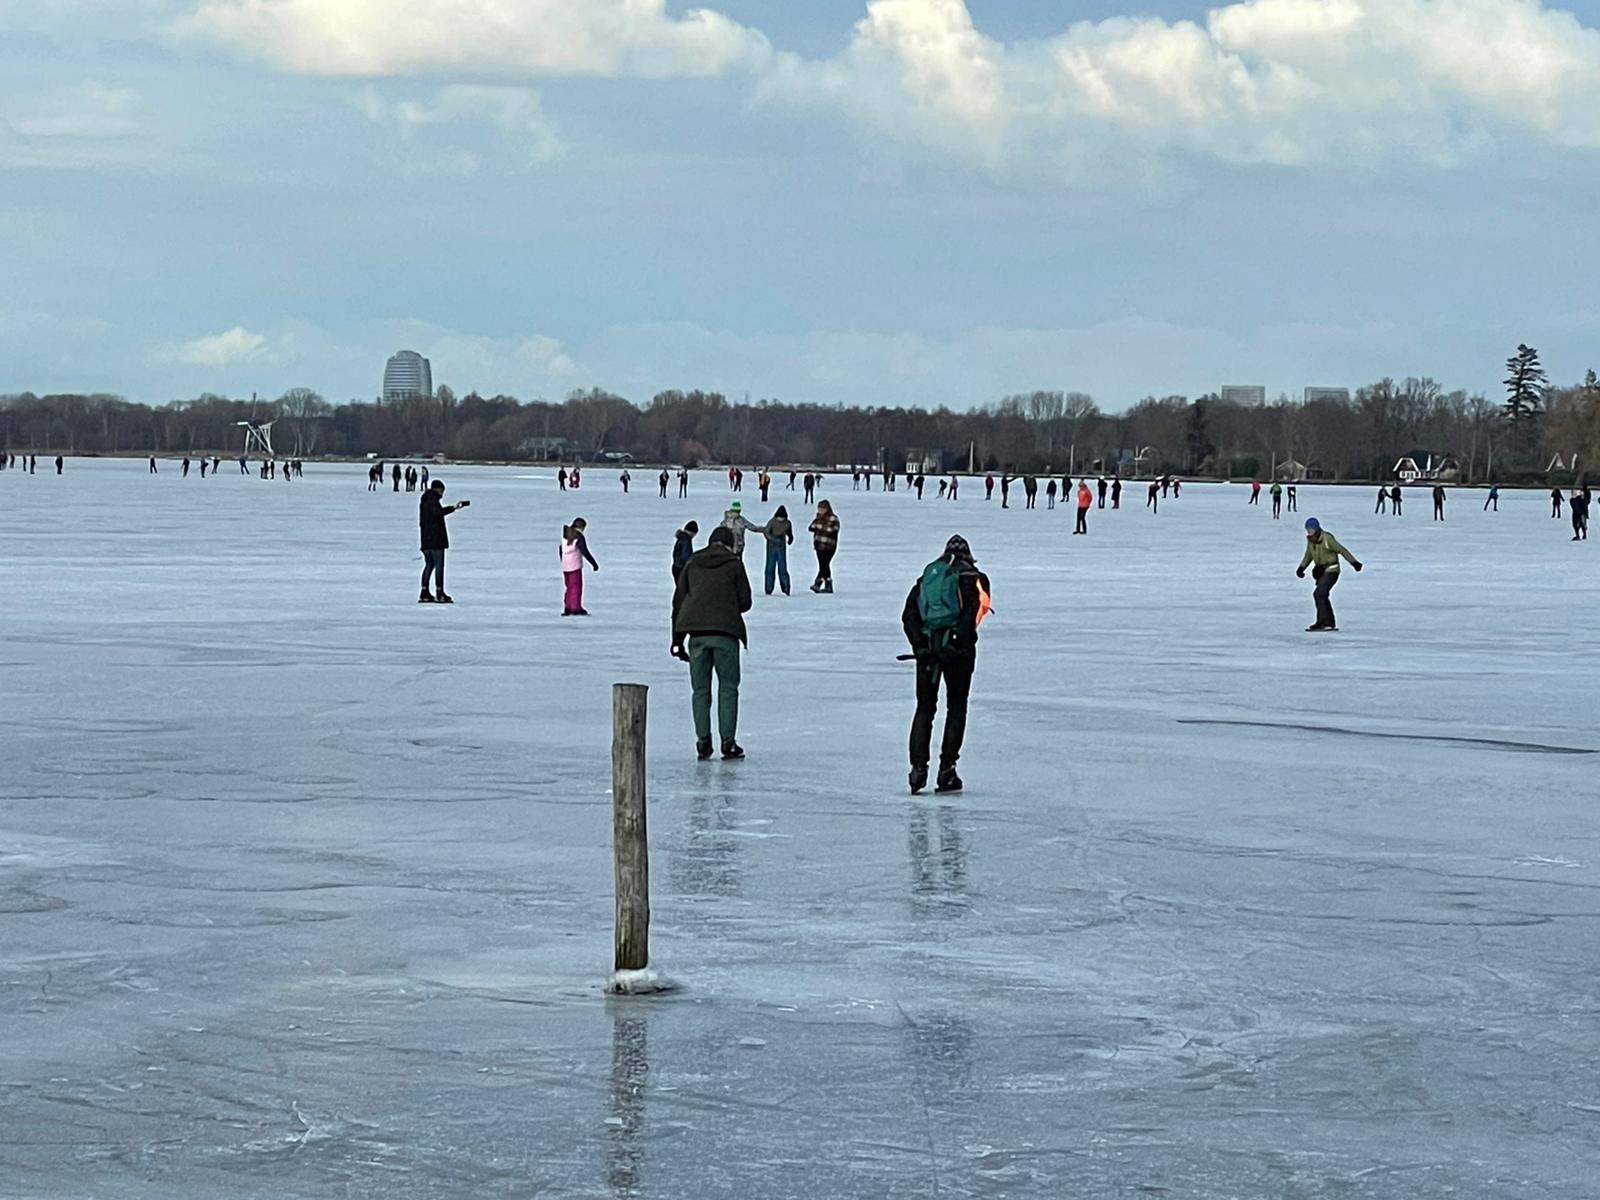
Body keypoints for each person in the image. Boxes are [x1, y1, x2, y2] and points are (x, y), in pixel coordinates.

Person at [902, 534, 991, 795]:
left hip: (928, 649)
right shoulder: (974, 577)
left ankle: (918, 771)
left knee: (925, 707)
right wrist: (957, 642)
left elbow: (909, 615)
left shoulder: (927, 578)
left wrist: (920, 645)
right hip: (958, 654)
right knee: (956, 706)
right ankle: (947, 770)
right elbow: (972, 613)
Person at [671, 525, 752, 760]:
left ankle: (703, 742)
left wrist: (677, 640)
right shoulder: (734, 564)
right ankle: (728, 742)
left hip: (696, 635)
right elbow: (745, 602)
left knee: (700, 690)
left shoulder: (693, 563)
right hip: (726, 633)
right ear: (729, 544)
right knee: (728, 687)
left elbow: (679, 601)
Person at [1296, 518, 1362, 632]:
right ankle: (1322, 621)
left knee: (1320, 593)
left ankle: (1327, 622)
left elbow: (1341, 550)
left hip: (1332, 570)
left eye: (1311, 530)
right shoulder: (1311, 541)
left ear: (1316, 528)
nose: (1309, 532)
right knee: (1319, 594)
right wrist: (1301, 568)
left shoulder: (1327, 539)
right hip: (1322, 572)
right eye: (1308, 530)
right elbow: (1308, 555)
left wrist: (1354, 563)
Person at [418, 480, 469, 603]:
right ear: (438, 490)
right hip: (436, 539)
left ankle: (424, 591)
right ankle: (439, 592)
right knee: (439, 565)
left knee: (429, 565)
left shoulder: (424, 500)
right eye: (441, 491)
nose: (442, 494)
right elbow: (437, 512)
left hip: (425, 540)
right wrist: (453, 508)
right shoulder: (432, 499)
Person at [560, 518, 600, 615]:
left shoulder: (565, 535)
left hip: (565, 566)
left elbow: (560, 549)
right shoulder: (579, 537)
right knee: (576, 587)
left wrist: (563, 561)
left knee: (569, 587)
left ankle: (568, 607)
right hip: (575, 566)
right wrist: (594, 563)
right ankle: (575, 607)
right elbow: (584, 551)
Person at [759, 505, 794, 596]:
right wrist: (773, 539)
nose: (780, 519)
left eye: (782, 518)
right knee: (770, 567)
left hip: (781, 546)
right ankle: (768, 588)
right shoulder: (772, 522)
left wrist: (790, 538)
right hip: (771, 546)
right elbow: (766, 532)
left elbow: (789, 532)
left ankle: (786, 587)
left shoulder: (787, 523)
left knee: (782, 567)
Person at [809, 500, 839, 593]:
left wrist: (820, 527)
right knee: (823, 566)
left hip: (829, 545)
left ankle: (818, 583)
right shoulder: (818, 518)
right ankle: (827, 585)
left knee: (824, 564)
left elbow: (833, 529)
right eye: (819, 508)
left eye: (822, 508)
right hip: (819, 545)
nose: (820, 510)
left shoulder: (833, 518)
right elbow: (811, 527)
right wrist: (820, 526)